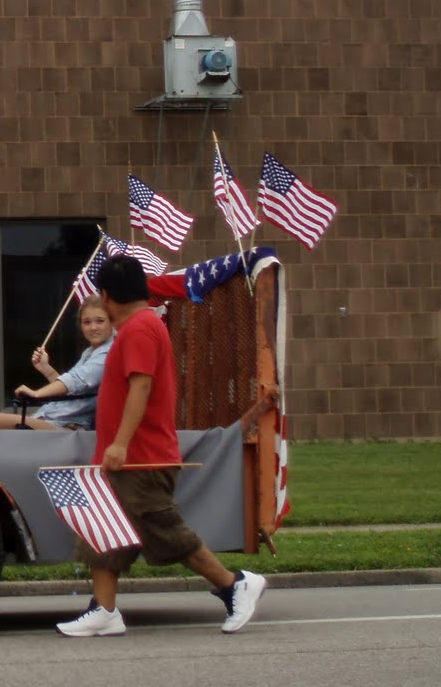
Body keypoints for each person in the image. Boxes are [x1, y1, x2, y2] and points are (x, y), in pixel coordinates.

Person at [55, 255, 266, 638]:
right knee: (102, 531)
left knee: (165, 532)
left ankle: (235, 585)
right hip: (125, 456)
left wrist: (119, 444)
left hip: (141, 457)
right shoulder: (141, 326)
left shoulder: (139, 329)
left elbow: (141, 386)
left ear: (105, 296)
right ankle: (104, 610)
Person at [0, 295, 113, 431]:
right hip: (52, 418)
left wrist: (37, 394)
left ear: (112, 322)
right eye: (87, 322)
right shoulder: (90, 352)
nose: (93, 327)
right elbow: (71, 392)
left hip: (70, 427)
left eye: (100, 321)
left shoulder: (108, 354)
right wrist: (46, 369)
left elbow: (75, 380)